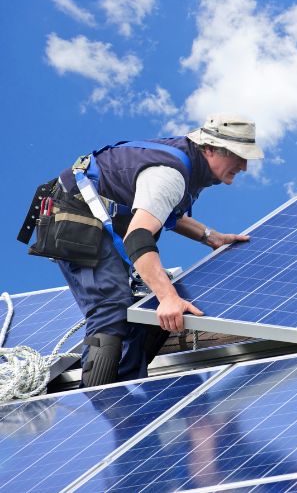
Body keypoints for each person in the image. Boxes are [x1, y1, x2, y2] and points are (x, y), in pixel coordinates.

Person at [34, 114, 263, 386]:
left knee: (146, 306)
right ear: (210, 149)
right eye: (238, 156)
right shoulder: (170, 174)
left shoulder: (188, 167)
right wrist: (167, 296)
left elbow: (164, 212)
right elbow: (139, 235)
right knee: (112, 305)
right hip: (74, 216)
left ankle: (126, 389)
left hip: (102, 217)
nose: (244, 166)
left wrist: (210, 237)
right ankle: (99, 401)